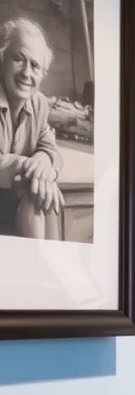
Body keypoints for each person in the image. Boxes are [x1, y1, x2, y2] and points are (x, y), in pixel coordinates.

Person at [0, 16, 63, 238]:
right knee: (37, 190)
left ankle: (47, 268)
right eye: (18, 59)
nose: (27, 73)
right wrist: (30, 168)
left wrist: (43, 164)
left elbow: (50, 147)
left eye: (35, 66)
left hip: (13, 201)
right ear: (2, 59)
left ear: (42, 74)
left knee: (43, 195)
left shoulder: (39, 103)